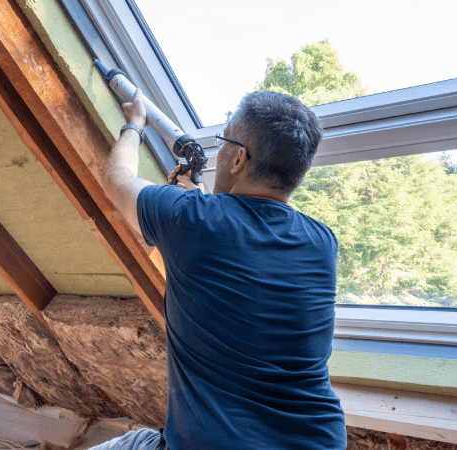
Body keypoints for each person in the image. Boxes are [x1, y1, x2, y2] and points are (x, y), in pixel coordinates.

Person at [96, 89, 346, 450]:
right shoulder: (323, 242)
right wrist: (200, 199)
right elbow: (247, 243)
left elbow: (117, 179)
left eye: (224, 140)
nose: (220, 151)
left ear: (239, 158)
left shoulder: (192, 220)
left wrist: (134, 124)